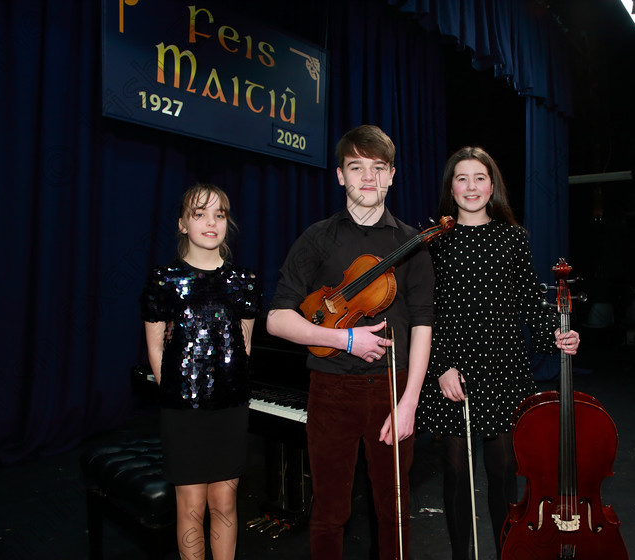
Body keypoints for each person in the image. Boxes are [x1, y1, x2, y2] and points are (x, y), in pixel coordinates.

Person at [266, 124, 434, 560]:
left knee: (393, 510)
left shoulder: (411, 242)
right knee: (329, 510)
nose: (367, 178)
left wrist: (411, 401)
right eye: (356, 167)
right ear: (340, 175)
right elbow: (277, 319)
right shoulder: (317, 238)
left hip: (392, 391)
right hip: (331, 389)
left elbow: (422, 324)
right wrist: (344, 338)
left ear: (392, 175)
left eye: (378, 168)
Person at [415, 147, 580, 560]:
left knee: (504, 471)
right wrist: (440, 367)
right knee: (454, 471)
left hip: (504, 368)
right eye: (462, 178)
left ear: (493, 186)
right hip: (452, 369)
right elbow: (424, 312)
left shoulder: (513, 238)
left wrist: (556, 336)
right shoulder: (433, 241)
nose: (471, 187)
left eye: (480, 178)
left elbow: (529, 301)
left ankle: (508, 551)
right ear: (450, 188)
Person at [140, 183, 260, 560]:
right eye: (200, 213)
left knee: (224, 499)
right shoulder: (164, 280)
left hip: (231, 406)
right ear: (182, 224)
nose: (211, 223)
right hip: (182, 409)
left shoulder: (245, 281)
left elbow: (245, 344)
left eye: (219, 215)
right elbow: (156, 348)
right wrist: (176, 397)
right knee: (191, 503)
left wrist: (230, 388)